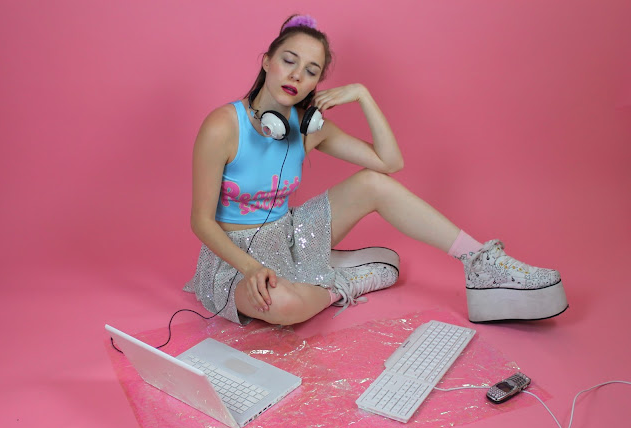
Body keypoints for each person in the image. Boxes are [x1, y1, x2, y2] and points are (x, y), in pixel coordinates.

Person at [184, 14, 568, 326]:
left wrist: (362, 95)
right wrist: (251, 268)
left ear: (317, 82)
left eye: (311, 70)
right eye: (289, 61)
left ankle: (481, 263)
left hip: (288, 237)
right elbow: (201, 221)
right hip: (234, 259)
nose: (297, 75)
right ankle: (344, 281)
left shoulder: (308, 127)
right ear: (267, 61)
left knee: (373, 183)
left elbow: (389, 163)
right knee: (282, 307)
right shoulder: (223, 126)